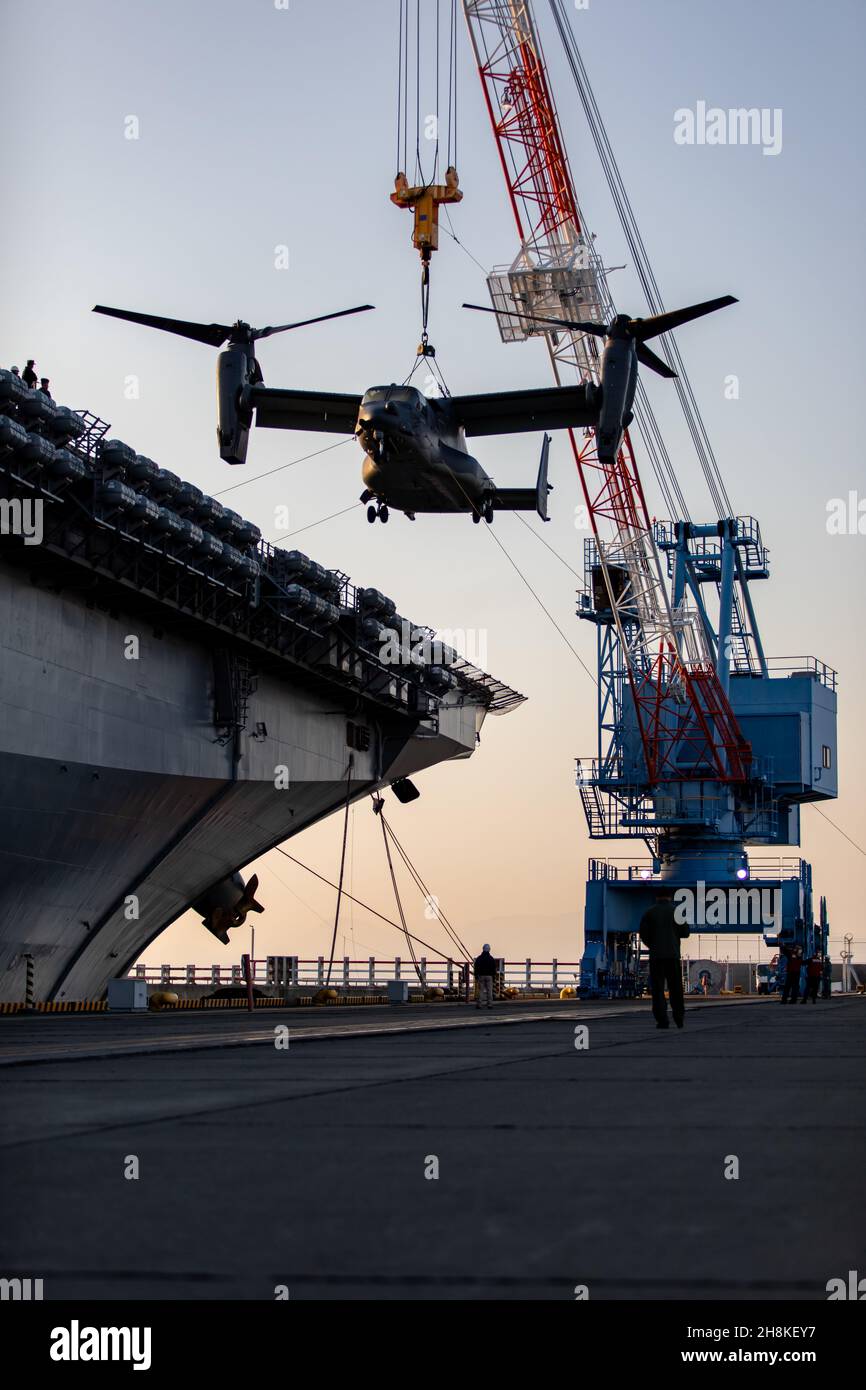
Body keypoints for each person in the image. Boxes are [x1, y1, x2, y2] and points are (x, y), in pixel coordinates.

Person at [638, 889, 689, 1029]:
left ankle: (662, 1020)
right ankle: (679, 1019)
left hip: (656, 957)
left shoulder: (649, 913)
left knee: (658, 990)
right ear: (670, 896)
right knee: (676, 989)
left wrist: (653, 945)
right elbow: (685, 932)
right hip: (672, 956)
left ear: (656, 897)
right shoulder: (676, 912)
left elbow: (643, 934)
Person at [473, 943, 497, 1010]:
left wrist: (476, 975)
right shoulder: (491, 959)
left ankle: (479, 1004)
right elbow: (494, 968)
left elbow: (476, 967)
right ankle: (490, 1004)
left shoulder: (479, 958)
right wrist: (494, 977)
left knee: (481, 991)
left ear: (483, 949)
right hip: (489, 976)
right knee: (489, 991)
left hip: (481, 976)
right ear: (489, 950)